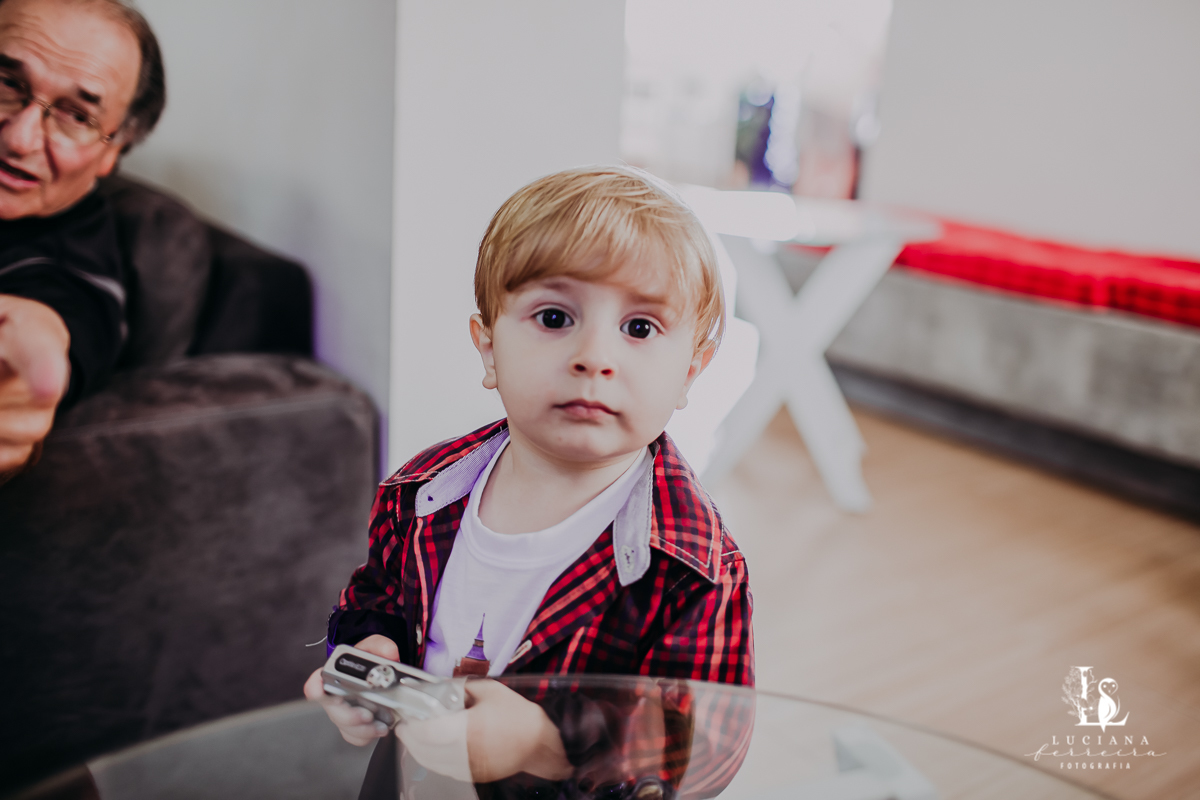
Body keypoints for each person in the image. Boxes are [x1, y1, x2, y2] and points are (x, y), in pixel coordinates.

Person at [304, 166, 754, 795]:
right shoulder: (423, 492)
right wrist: (368, 650)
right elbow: (377, 595)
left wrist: (546, 744)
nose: (594, 358)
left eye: (640, 328)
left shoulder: (692, 566)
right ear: (488, 348)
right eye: (553, 317)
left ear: (690, 373)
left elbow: (701, 746)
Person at [0, 0, 164, 482]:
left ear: (112, 150)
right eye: (8, 84)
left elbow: (56, 324)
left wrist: (36, 360)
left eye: (75, 115)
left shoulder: (76, 268)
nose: (21, 139)